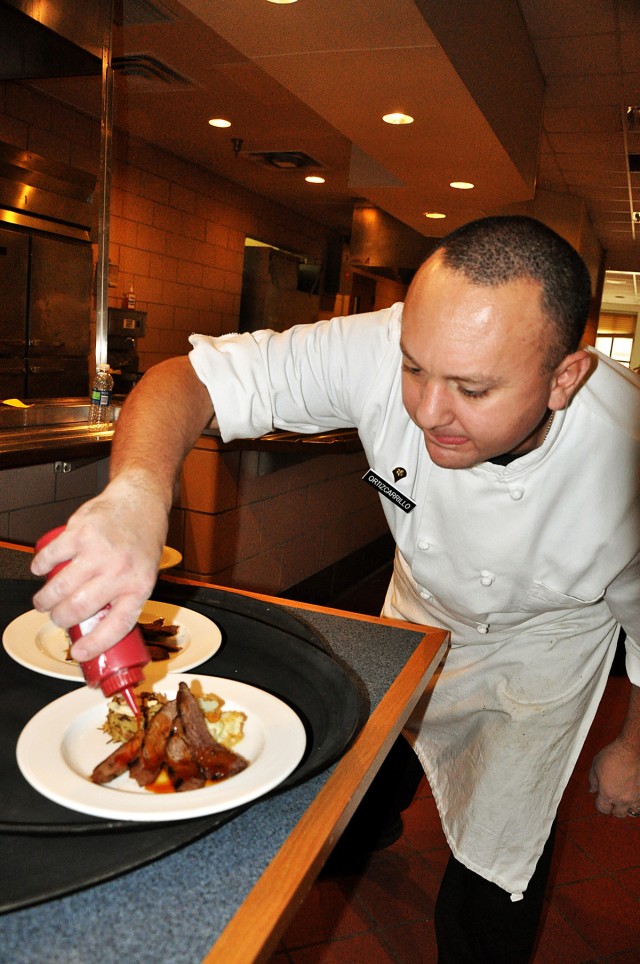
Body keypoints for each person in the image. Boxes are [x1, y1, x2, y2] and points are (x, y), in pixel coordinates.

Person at [31, 216, 640, 963]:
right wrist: (135, 493)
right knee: (364, 776)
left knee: (498, 864)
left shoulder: (628, 454)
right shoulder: (380, 345)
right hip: (417, 616)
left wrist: (634, 745)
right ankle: (367, 834)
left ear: (566, 377)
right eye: (415, 370)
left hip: (544, 654)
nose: (427, 411)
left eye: (473, 389)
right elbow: (185, 380)